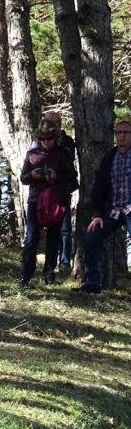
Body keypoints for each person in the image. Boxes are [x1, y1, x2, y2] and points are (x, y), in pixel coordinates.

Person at [19, 122, 76, 286]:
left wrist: (56, 176)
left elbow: (72, 176)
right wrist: (32, 175)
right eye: (42, 138)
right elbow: (23, 178)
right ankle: (25, 276)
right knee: (31, 238)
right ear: (39, 138)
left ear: (55, 138)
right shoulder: (31, 154)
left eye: (49, 138)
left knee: (54, 238)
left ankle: (49, 276)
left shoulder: (63, 154)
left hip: (57, 201)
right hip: (35, 201)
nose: (46, 141)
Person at [79, 120, 131, 294]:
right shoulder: (109, 158)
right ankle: (93, 283)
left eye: (126, 132)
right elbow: (99, 189)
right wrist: (97, 214)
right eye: (119, 132)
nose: (122, 135)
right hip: (114, 211)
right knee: (90, 239)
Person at [37, 111, 78, 272]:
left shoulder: (67, 142)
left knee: (65, 227)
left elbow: (68, 165)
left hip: (63, 189)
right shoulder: (40, 141)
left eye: (56, 123)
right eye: (50, 123)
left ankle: (65, 262)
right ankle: (50, 262)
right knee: (46, 226)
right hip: (45, 191)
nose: (54, 126)